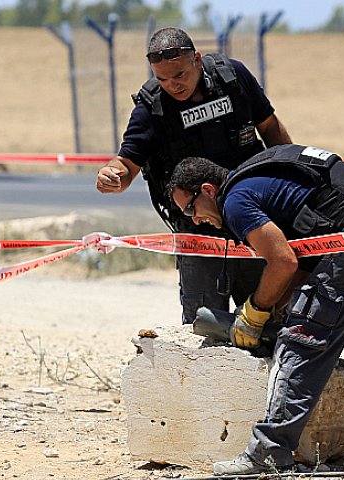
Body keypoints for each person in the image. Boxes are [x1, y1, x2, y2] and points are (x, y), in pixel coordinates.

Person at [167, 144, 344, 475]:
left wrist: (255, 312)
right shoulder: (259, 178)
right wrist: (277, 308)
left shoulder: (235, 201)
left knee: (300, 344)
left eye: (191, 209)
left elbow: (283, 261)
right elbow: (305, 262)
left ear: (208, 190)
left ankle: (269, 451)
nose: (195, 220)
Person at [96, 27, 292, 323]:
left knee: (268, 317)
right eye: (162, 79)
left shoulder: (233, 78)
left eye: (180, 75)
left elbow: (270, 128)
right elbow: (127, 163)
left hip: (252, 219)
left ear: (197, 60)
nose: (172, 85)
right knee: (203, 323)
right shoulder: (152, 108)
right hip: (198, 229)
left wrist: (288, 179)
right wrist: (112, 175)